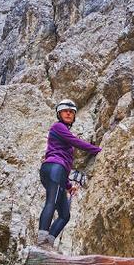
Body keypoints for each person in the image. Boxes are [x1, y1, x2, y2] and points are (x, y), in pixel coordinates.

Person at [37, 99, 101, 251]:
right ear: (59, 114)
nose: (69, 113)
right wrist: (98, 150)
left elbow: (65, 164)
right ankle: (41, 242)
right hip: (55, 167)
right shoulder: (58, 127)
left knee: (65, 215)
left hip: (56, 171)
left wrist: (68, 186)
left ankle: (48, 243)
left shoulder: (61, 131)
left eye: (72, 112)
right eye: (65, 111)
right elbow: (76, 142)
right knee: (51, 202)